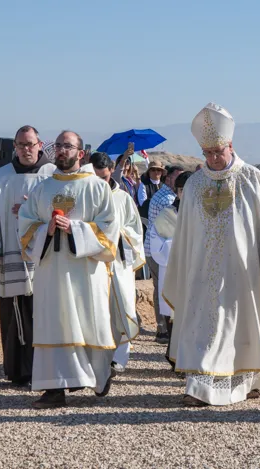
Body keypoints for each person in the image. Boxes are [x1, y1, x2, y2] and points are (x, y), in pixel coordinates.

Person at [164, 103, 260, 407]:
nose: (213, 158)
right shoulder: (196, 184)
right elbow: (185, 233)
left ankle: (245, 382)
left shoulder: (252, 178)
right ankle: (199, 388)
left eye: (218, 152)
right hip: (200, 271)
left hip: (244, 271)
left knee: (242, 328)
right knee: (203, 328)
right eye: (208, 153)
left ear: (231, 146)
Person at [18, 131, 119, 409]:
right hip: (52, 270)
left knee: (87, 322)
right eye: (58, 146)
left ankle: (99, 375)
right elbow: (25, 227)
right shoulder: (42, 188)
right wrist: (44, 230)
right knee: (54, 323)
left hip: (85, 271)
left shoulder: (98, 188)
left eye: (68, 146)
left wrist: (75, 229)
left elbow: (110, 231)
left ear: (81, 153)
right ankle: (54, 388)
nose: (61, 151)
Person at [0, 125, 55, 388]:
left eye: (30, 144)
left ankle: (45, 370)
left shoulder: (52, 175)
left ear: (40, 144)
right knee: (15, 312)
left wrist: (32, 210)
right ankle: (18, 370)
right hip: (12, 253)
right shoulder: (3, 176)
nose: (26, 149)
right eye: (21, 145)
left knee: (43, 311)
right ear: (14, 147)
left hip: (45, 256)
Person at [89, 152, 144, 374]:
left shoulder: (122, 197)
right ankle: (96, 357)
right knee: (97, 309)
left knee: (121, 306)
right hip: (93, 261)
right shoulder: (87, 195)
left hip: (118, 261)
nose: (100, 182)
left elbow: (136, 229)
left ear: (111, 170)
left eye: (103, 177)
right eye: (96, 178)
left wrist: (118, 232)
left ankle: (119, 358)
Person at [148, 170, 191, 350]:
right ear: (177, 191)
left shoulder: (204, 216)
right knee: (172, 311)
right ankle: (174, 354)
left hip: (194, 272)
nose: (186, 195)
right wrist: (179, 245)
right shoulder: (166, 215)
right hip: (171, 270)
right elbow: (155, 244)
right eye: (182, 190)